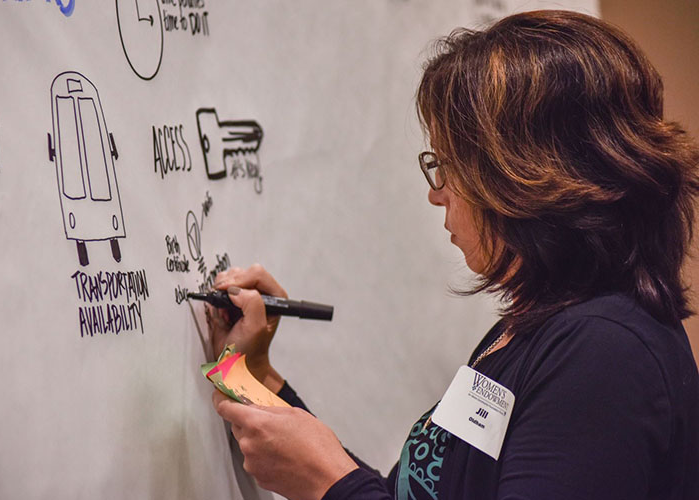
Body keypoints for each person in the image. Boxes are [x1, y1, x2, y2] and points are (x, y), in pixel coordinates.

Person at [209, 10, 699, 500]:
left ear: (521, 176)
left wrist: (327, 485)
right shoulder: (538, 327)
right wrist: (254, 379)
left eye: (448, 165)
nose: (436, 193)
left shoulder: (604, 355)